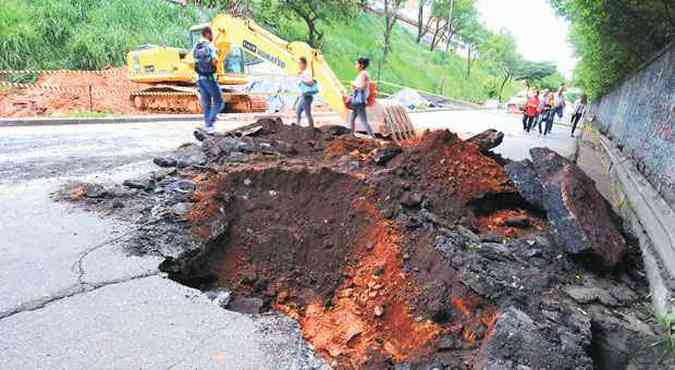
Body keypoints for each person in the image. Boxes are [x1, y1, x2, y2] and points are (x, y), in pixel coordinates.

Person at [194, 27, 223, 135]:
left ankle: (208, 126)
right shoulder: (210, 46)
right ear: (207, 34)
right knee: (219, 102)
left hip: (199, 79)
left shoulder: (196, 46)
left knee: (206, 104)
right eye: (212, 34)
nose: (213, 37)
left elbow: (195, 61)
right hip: (209, 78)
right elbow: (215, 61)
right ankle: (209, 124)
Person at [349, 57, 375, 138]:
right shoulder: (363, 74)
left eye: (356, 64)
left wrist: (354, 85)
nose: (355, 66)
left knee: (363, 120)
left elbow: (362, 87)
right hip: (358, 101)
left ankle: (371, 136)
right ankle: (351, 134)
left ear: (361, 65)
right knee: (352, 118)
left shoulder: (363, 74)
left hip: (359, 101)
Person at [295, 57, 315, 128]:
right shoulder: (303, 73)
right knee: (298, 111)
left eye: (300, 63)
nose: (299, 65)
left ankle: (311, 128)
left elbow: (311, 82)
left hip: (307, 97)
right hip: (304, 96)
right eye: (298, 63)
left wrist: (302, 80)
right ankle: (298, 126)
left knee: (307, 114)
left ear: (304, 64)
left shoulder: (306, 73)